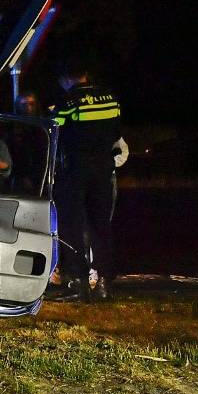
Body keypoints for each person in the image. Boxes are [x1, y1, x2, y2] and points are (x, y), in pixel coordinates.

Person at [49, 59, 122, 301]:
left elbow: (55, 133)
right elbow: (116, 133)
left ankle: (78, 283)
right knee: (101, 226)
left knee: (72, 227)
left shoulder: (68, 100)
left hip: (76, 170)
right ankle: (104, 283)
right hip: (103, 170)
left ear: (65, 79)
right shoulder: (110, 98)